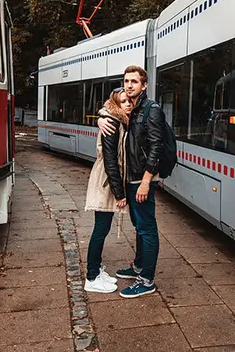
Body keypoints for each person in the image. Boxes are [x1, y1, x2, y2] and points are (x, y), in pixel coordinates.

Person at [98, 65, 165, 298]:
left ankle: (147, 280)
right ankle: (138, 266)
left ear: (144, 85)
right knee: (139, 226)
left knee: (147, 228)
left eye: (134, 82)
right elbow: (111, 103)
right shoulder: (132, 107)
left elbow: (157, 146)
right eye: (126, 81)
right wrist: (101, 117)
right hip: (131, 177)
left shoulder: (151, 109)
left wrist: (146, 181)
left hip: (142, 178)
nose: (128, 85)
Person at [83, 88, 132, 294]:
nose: (128, 104)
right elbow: (111, 160)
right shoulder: (112, 122)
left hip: (107, 179)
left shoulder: (115, 119)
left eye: (129, 100)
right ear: (115, 104)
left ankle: (96, 270)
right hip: (106, 181)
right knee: (100, 230)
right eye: (123, 101)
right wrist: (119, 194)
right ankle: (92, 277)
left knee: (101, 229)